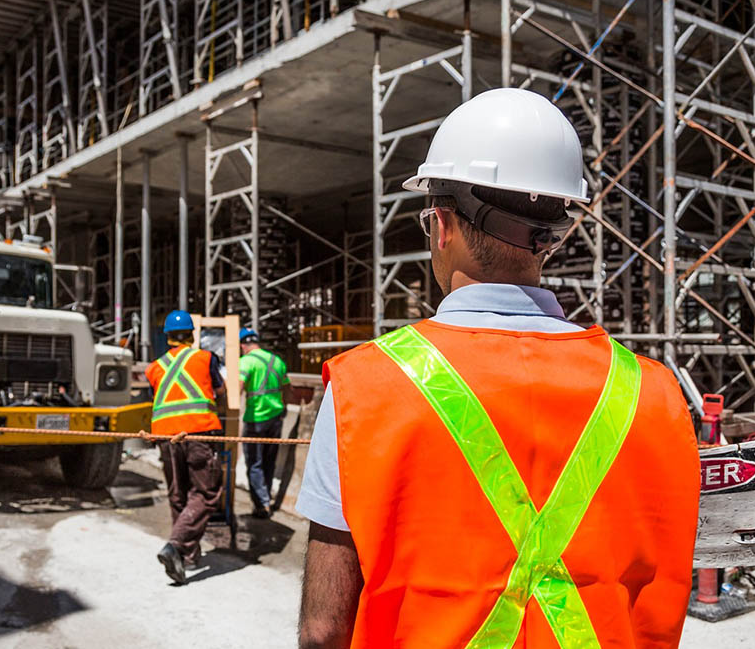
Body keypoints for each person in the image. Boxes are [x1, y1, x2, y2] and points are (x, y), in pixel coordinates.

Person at [295, 89, 699, 648]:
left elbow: (323, 629)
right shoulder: (652, 392)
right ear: (553, 236)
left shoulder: (365, 388)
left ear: (441, 225)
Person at [146, 310, 226, 585]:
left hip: (166, 438)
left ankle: (187, 556)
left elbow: (156, 399)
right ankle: (176, 545)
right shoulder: (205, 358)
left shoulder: (154, 367)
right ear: (192, 335)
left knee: (178, 494)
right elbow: (221, 390)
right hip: (198, 433)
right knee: (207, 494)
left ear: (167, 336)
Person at [238, 327, 293, 518]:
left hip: (255, 420)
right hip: (275, 419)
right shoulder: (276, 361)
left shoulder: (246, 362)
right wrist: (282, 407)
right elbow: (287, 389)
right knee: (269, 461)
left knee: (254, 463)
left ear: (242, 345)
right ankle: (266, 498)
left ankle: (261, 505)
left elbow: (238, 385)